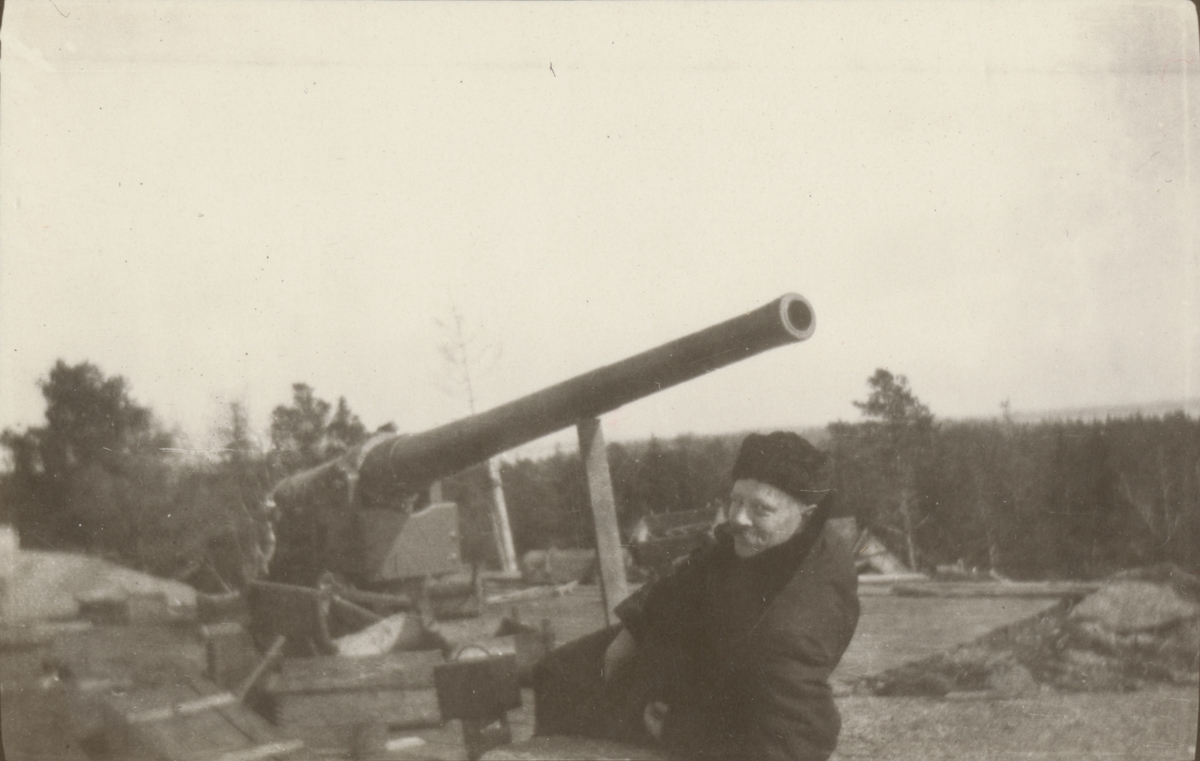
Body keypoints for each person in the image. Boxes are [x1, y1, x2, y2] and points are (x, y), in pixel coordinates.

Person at [533, 432, 860, 761]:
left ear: (806, 515)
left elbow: (795, 744)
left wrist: (680, 729)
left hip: (727, 693)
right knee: (556, 669)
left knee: (571, 705)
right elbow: (700, 565)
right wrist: (634, 627)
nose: (738, 518)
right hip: (705, 654)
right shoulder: (775, 535)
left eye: (761, 508)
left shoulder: (791, 624)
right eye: (736, 500)